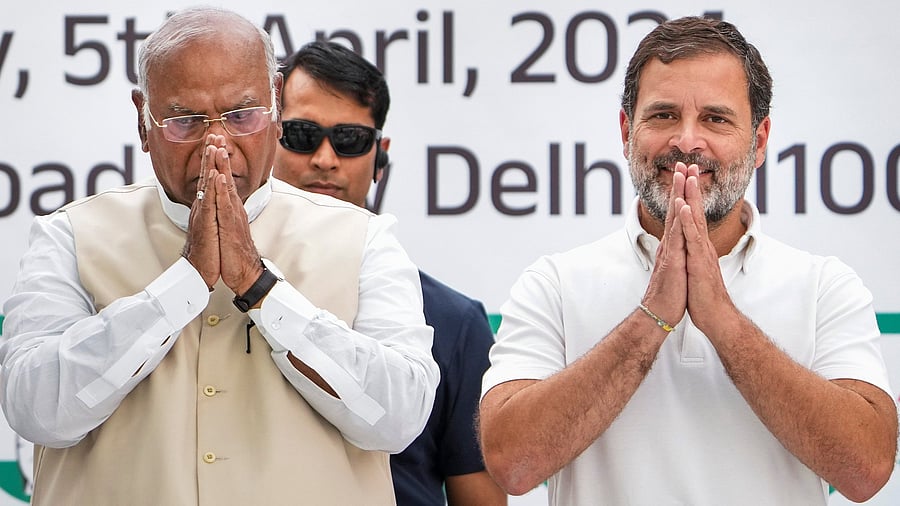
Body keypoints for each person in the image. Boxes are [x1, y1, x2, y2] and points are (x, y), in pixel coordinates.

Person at [0, 7, 439, 505]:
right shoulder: (70, 237)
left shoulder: (364, 238)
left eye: (241, 116)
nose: (217, 142)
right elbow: (35, 408)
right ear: (144, 121)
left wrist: (259, 287)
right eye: (184, 120)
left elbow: (399, 418)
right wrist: (180, 288)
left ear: (275, 107)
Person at [479, 16, 898, 505]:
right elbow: (512, 462)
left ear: (759, 141)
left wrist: (722, 320)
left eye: (716, 119)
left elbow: (867, 469)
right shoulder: (553, 283)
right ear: (625, 131)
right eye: (662, 115)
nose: (686, 141)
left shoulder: (825, 285)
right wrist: (650, 319)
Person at [272, 41, 507, 506]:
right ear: (266, 141)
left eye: (349, 140)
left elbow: (479, 495)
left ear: (381, 156)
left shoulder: (454, 321)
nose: (324, 158)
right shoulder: (213, 295)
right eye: (301, 135)